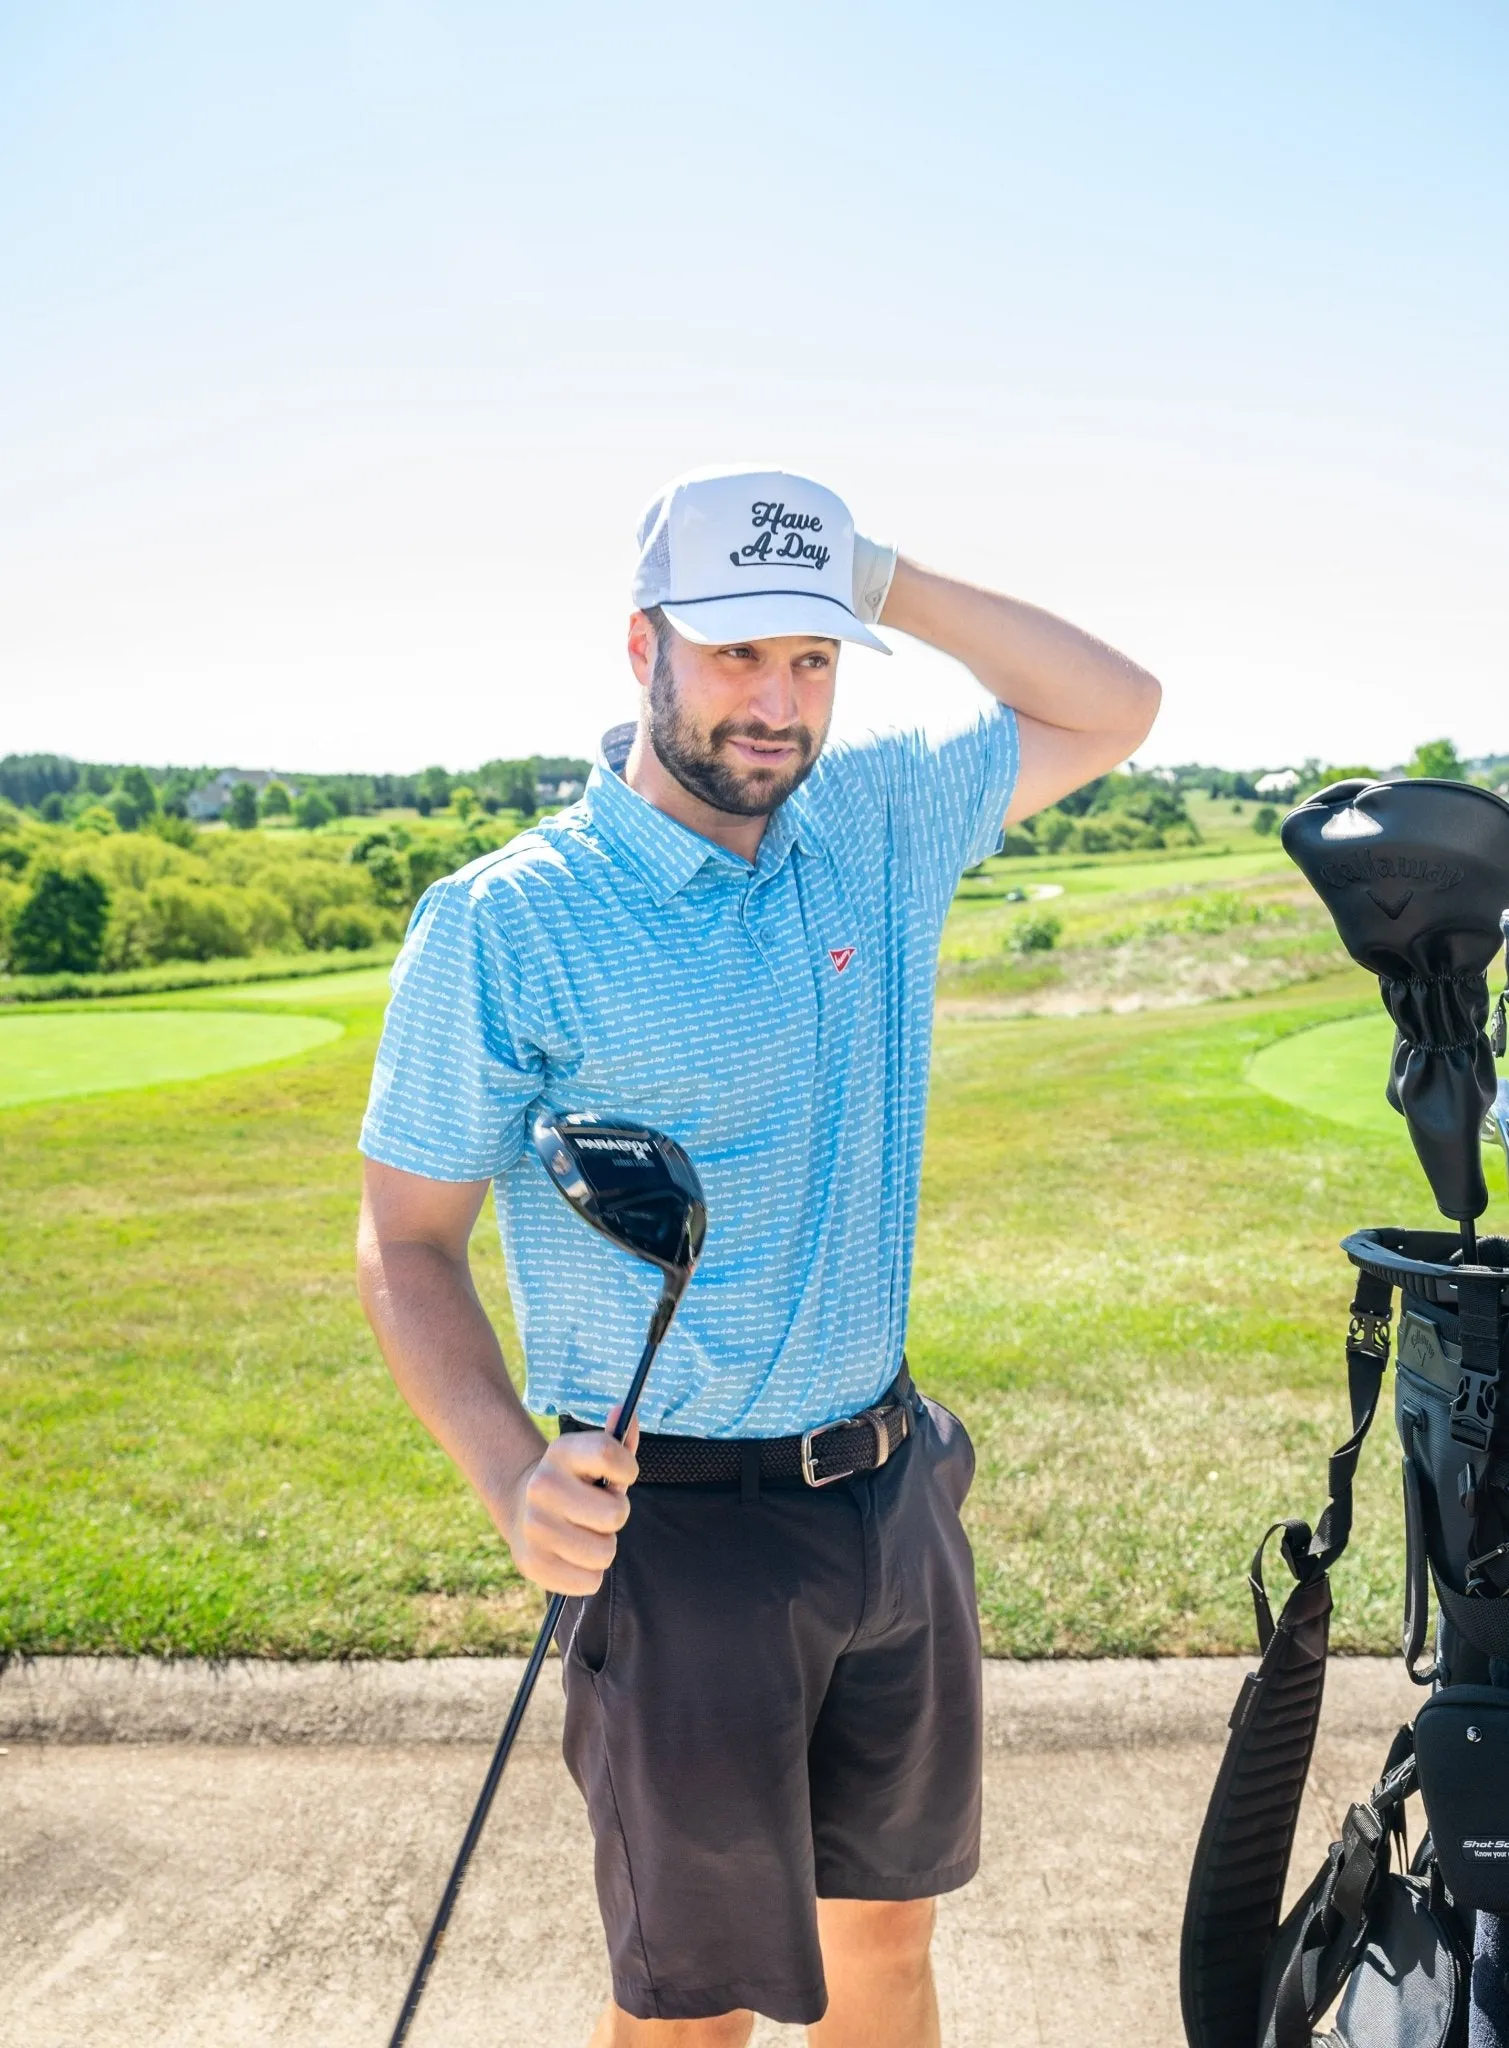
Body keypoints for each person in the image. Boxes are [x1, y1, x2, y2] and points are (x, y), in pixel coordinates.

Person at [357, 465, 1161, 2046]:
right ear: (641, 646)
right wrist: (508, 1471)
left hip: (890, 1488)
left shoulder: (866, 819)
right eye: (735, 654)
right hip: (678, 1538)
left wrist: (880, 580)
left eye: (810, 656)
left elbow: (1116, 707)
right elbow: (406, 1240)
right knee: (696, 2012)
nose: (778, 703)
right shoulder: (508, 921)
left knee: (885, 1962)